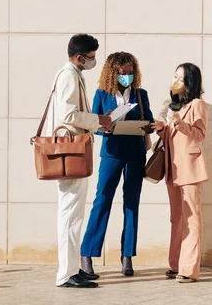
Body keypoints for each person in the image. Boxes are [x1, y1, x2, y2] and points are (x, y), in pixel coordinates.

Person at [44, 34, 112, 288]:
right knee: (70, 213)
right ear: (79, 56)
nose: (93, 61)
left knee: (73, 213)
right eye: (91, 57)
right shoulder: (69, 75)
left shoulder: (72, 74)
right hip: (70, 153)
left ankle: (72, 268)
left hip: (73, 152)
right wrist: (99, 121)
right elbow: (68, 115)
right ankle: (66, 274)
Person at [80, 52, 154, 278]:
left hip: (135, 152)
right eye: (123, 73)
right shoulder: (102, 94)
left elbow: (149, 122)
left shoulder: (141, 94)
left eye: (131, 73)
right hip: (112, 152)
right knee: (102, 200)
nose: (127, 77)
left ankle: (127, 255)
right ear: (114, 73)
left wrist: (146, 126)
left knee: (132, 203)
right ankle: (87, 254)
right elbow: (93, 123)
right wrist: (105, 126)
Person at [151, 63, 208, 283]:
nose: (175, 81)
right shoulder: (174, 106)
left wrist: (179, 122)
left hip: (191, 168)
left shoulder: (198, 104)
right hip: (173, 168)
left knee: (192, 219)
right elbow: (171, 136)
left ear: (190, 82)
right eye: (174, 76)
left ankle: (189, 269)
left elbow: (199, 134)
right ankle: (175, 264)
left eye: (181, 78)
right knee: (176, 218)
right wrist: (161, 128)